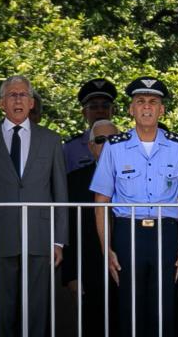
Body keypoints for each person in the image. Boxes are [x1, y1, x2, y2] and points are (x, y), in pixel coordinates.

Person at [90, 76, 178, 337]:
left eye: (153, 102)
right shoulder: (114, 148)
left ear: (161, 110)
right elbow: (101, 202)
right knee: (129, 309)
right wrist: (107, 248)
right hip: (128, 233)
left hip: (166, 232)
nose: (147, 107)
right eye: (140, 101)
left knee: (165, 308)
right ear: (131, 109)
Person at [0, 75, 68, 337]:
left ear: (31, 103)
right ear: (1, 103)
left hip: (40, 237)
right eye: (12, 95)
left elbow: (60, 192)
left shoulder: (51, 139)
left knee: (37, 311)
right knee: (1, 311)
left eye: (23, 95)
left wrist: (59, 240)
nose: (18, 99)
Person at [62, 119, 119, 337]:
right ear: (90, 146)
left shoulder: (135, 176)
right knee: (93, 326)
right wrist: (71, 275)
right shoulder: (73, 181)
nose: (107, 145)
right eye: (100, 140)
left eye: (112, 140)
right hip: (89, 269)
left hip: (129, 267)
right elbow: (66, 228)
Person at [64, 78, 117, 173]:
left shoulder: (127, 144)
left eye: (105, 106)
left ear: (112, 111)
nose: (100, 111)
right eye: (93, 107)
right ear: (84, 113)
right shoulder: (70, 149)